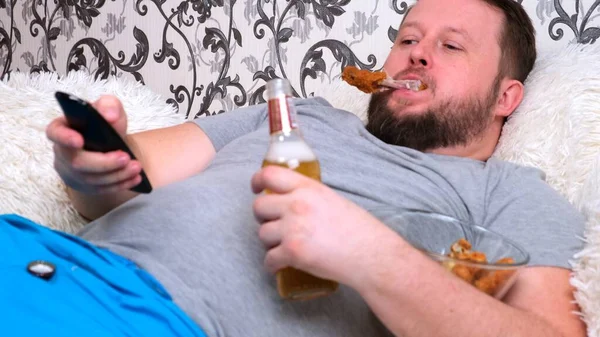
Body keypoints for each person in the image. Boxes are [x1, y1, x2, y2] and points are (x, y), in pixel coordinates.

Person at [2, 0, 585, 336]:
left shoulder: (509, 194)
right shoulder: (302, 113)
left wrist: (369, 255)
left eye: (451, 46)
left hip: (150, 320)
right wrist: (89, 171)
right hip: (39, 256)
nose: (417, 53)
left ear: (506, 98)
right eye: (408, 37)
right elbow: (136, 170)